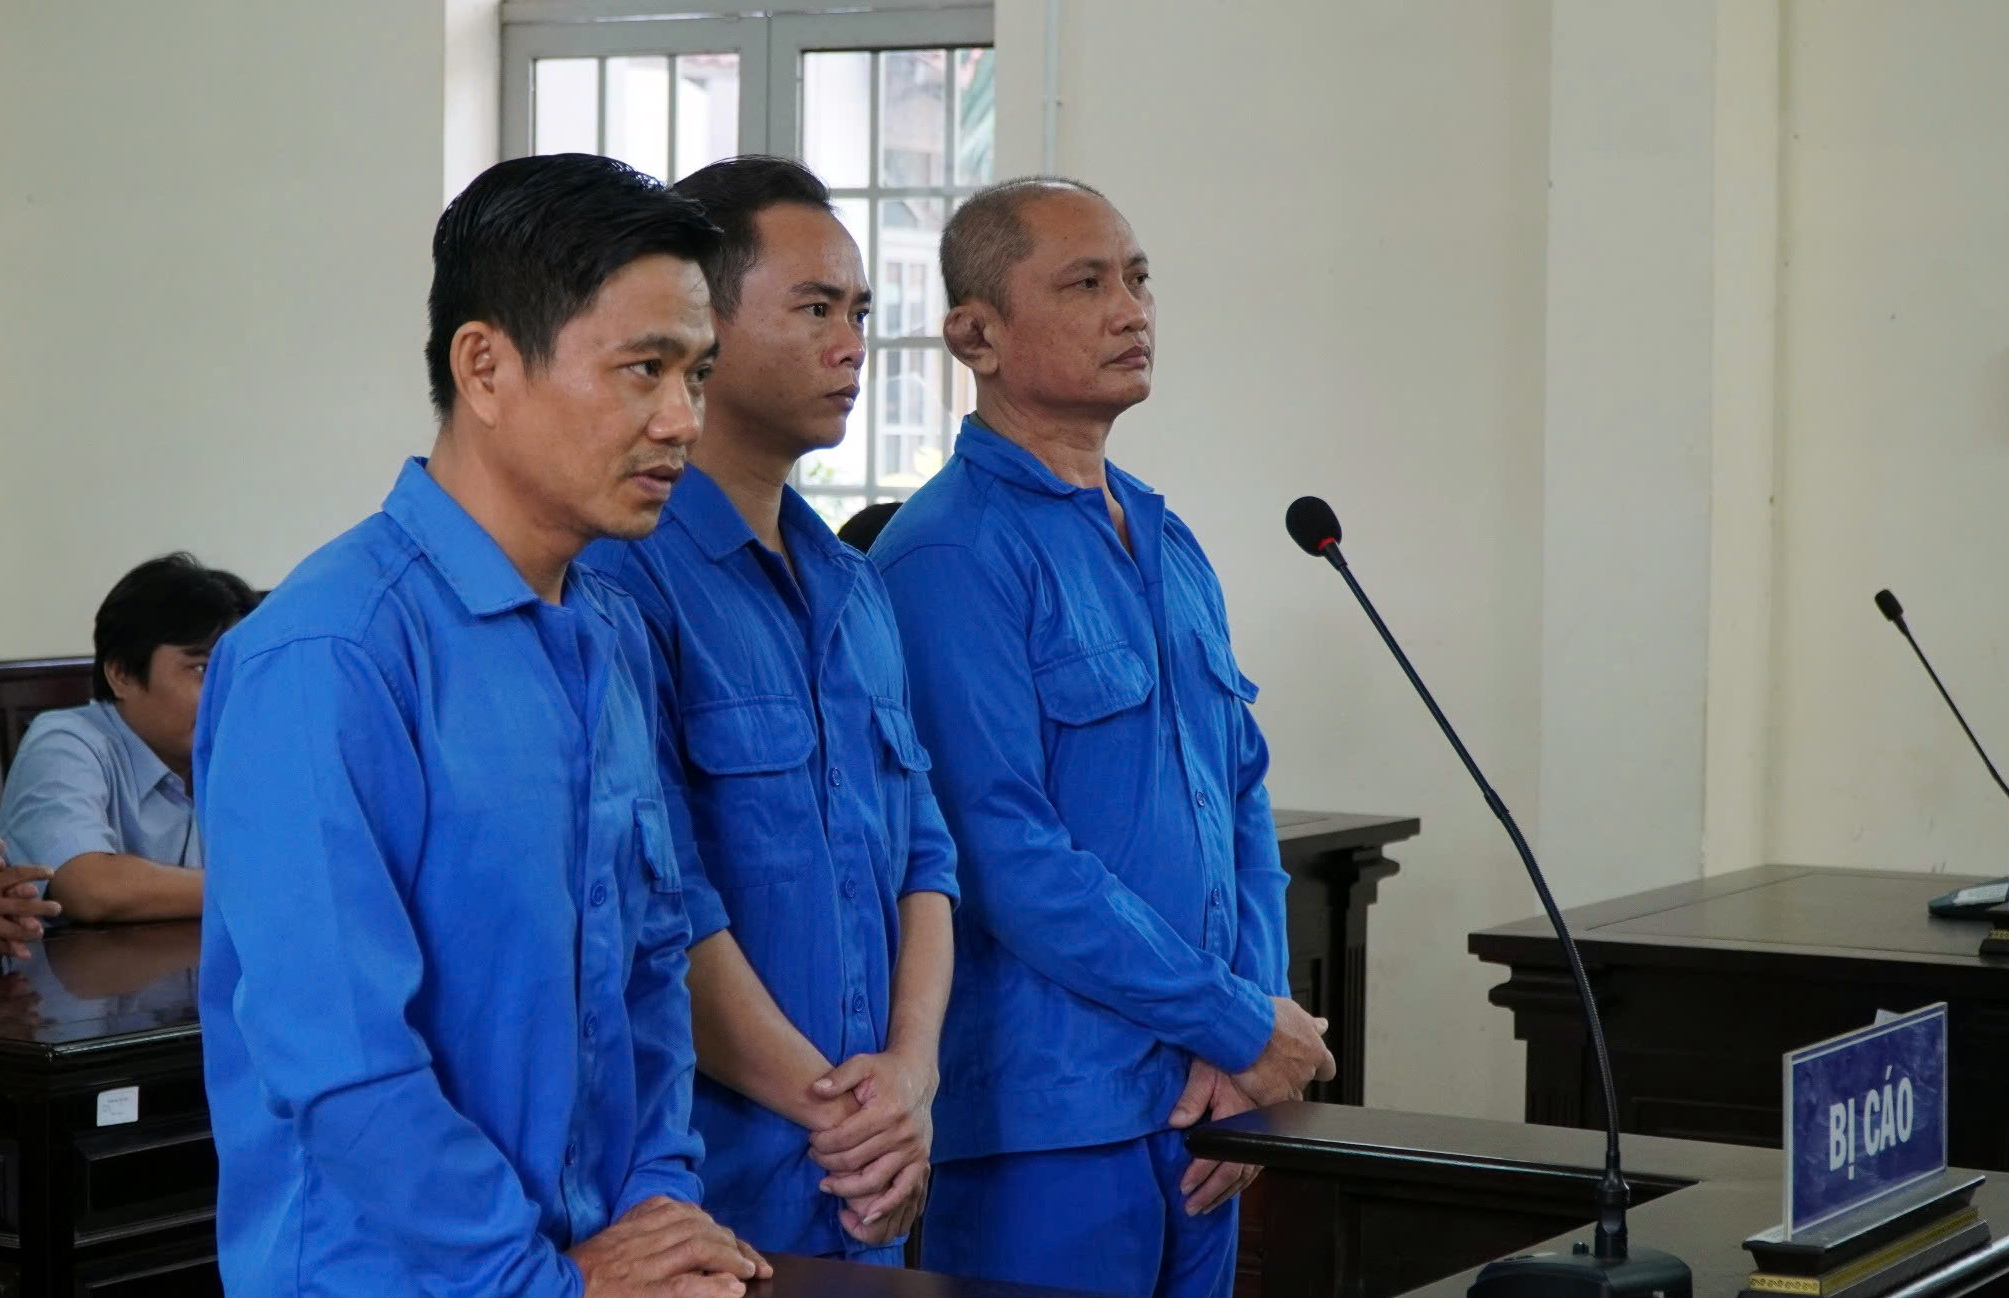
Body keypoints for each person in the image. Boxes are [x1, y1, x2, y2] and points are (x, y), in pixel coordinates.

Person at [196, 153, 768, 1298]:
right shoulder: (329, 654)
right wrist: (537, 1280)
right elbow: (343, 1060)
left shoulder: (605, 631)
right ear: (485, 366)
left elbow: (648, 965)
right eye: (643, 369)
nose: (682, 420)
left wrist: (657, 1199)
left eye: (697, 374)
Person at [870, 177, 1335, 1298]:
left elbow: (1240, 796)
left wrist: (1253, 1036)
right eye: (1084, 284)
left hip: (1207, 1095)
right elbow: (1000, 854)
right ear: (974, 335)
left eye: (1137, 279)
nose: (1130, 311)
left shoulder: (1166, 537)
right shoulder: (948, 553)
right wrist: (1235, 1021)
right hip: (1050, 1120)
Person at [583, 155, 956, 1265]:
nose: (851, 346)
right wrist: (845, 1115)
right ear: (704, 320)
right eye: (814, 309)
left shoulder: (852, 585)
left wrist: (911, 1078)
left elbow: (924, 854)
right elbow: (661, 900)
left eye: (860, 313)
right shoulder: (624, 574)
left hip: (868, 1173)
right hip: (720, 1183)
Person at [0, 554, 255, 923]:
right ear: (121, 674)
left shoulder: (244, 755)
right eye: (202, 668)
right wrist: (258, 890)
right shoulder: (66, 742)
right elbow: (91, 888)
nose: (227, 693)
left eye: (238, 671)